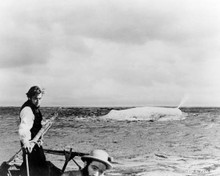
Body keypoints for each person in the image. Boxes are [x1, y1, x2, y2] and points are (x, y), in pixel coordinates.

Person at [18, 86, 60, 176]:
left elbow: (35, 124)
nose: (38, 101)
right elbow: (24, 128)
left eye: (40, 98)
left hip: (35, 144)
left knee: (35, 166)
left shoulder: (35, 108)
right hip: (30, 145)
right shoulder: (27, 110)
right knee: (38, 169)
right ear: (29, 97)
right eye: (35, 98)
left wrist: (44, 124)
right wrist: (26, 143)